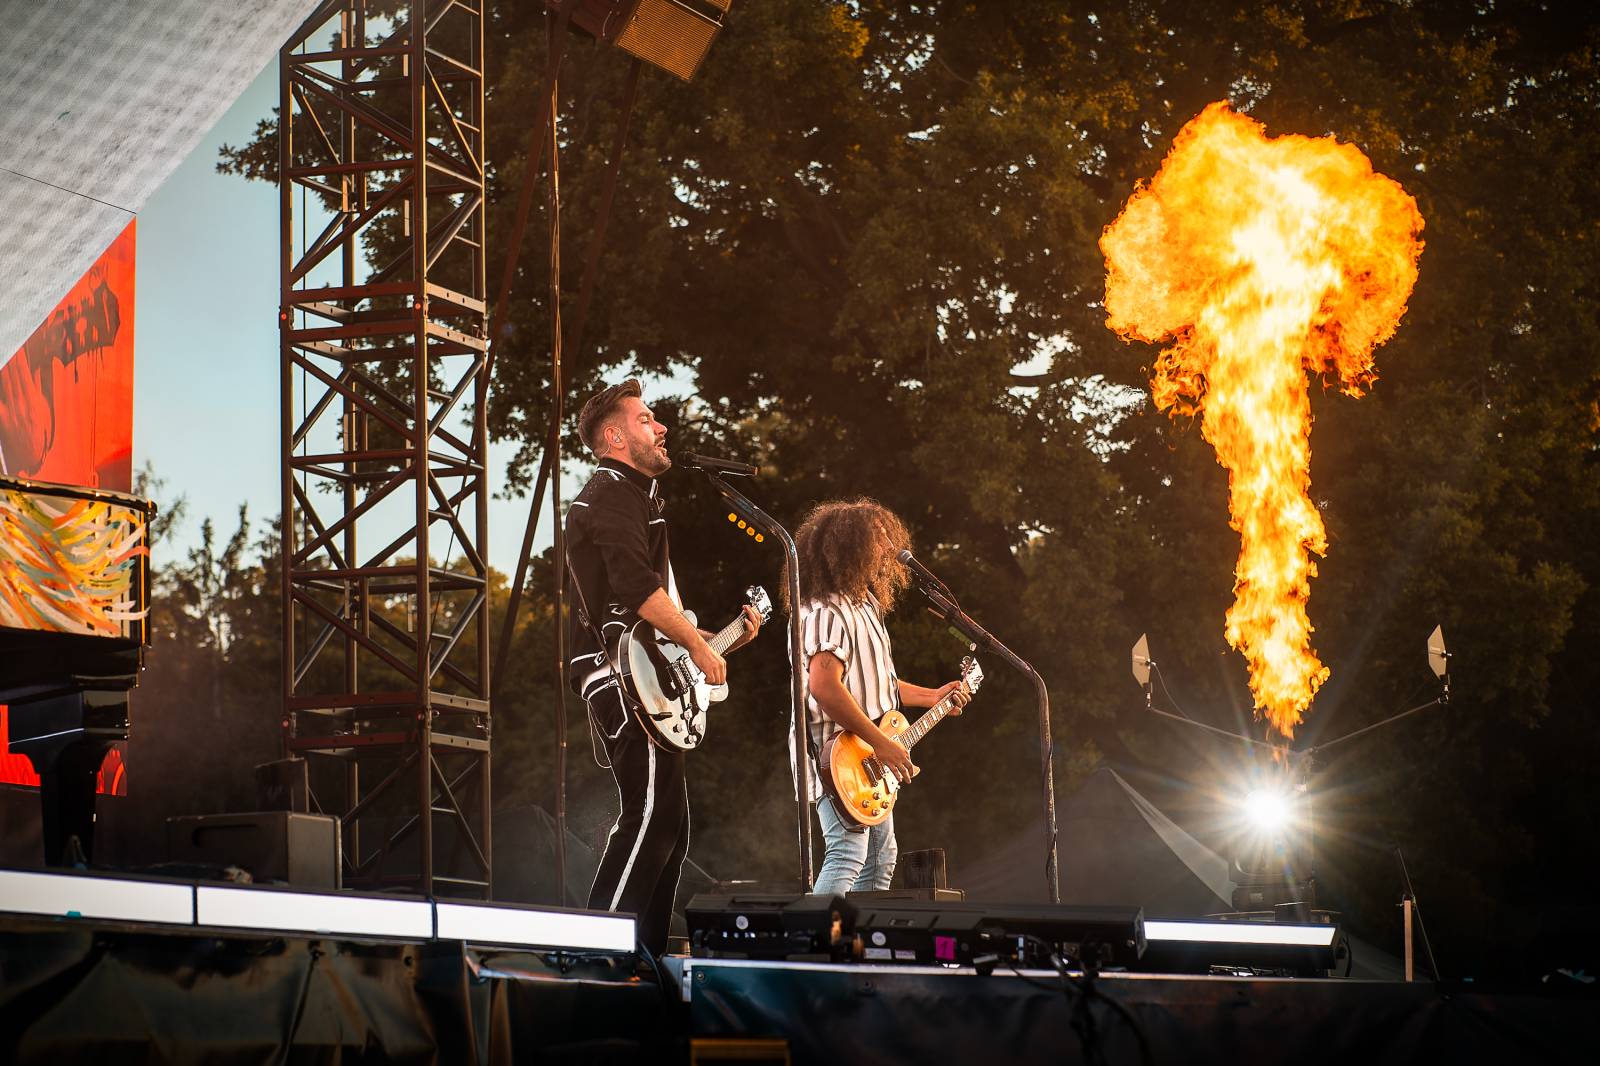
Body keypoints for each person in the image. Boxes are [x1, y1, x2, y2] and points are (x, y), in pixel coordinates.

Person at [565, 378, 763, 956]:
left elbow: (645, 609)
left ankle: (642, 957)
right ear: (614, 435)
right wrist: (700, 650)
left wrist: (714, 638)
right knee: (649, 814)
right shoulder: (609, 491)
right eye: (647, 419)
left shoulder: (635, 494)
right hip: (618, 673)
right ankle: (598, 955)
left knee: (670, 826)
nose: (661, 427)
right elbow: (634, 588)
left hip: (642, 668)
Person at [784, 498, 971, 896]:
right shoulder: (823, 609)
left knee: (880, 860)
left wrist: (934, 695)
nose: (888, 548)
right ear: (849, 547)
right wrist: (882, 742)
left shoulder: (866, 606)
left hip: (867, 758)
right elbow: (824, 685)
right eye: (878, 540)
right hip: (836, 757)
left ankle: (857, 949)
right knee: (848, 854)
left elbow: (880, 683)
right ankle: (816, 951)